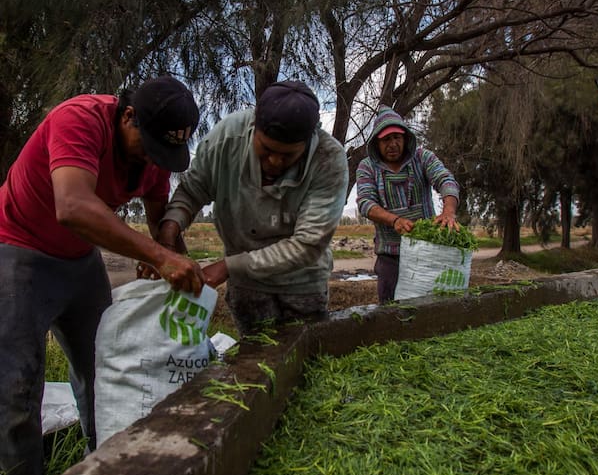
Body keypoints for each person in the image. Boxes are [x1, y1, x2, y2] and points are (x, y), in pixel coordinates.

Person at [0, 76, 205, 475]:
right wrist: (159, 257)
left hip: (79, 259)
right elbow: (71, 206)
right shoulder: (79, 119)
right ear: (127, 116)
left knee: (104, 365)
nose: (155, 159)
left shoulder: (155, 155)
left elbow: (157, 219)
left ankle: (106, 469)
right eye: (149, 145)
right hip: (17, 250)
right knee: (17, 385)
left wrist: (175, 261)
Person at [154, 81, 348, 335]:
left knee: (306, 358)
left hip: (302, 284)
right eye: (266, 150)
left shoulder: (329, 159)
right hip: (247, 287)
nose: (275, 161)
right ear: (253, 127)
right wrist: (169, 230)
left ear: (308, 141)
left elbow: (308, 244)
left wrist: (227, 267)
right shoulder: (226, 139)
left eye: (288, 155)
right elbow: (192, 190)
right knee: (253, 362)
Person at [356, 106, 460, 303]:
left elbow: (446, 180)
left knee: (430, 307)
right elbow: (365, 202)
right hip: (391, 256)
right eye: (386, 139)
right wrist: (394, 220)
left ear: (405, 139)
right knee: (390, 313)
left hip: (427, 252)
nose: (393, 144)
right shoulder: (367, 167)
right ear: (377, 143)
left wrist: (448, 211)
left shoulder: (422, 158)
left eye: (397, 137)